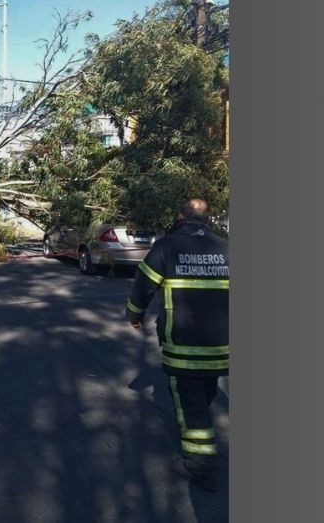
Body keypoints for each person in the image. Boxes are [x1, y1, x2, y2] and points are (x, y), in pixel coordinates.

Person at [126, 198, 230, 492]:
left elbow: (143, 284)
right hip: (221, 346)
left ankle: (202, 468)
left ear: (179, 216)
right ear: (207, 220)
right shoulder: (226, 248)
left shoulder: (167, 246)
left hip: (183, 347)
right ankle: (202, 440)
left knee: (192, 407)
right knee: (205, 394)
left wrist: (134, 314)